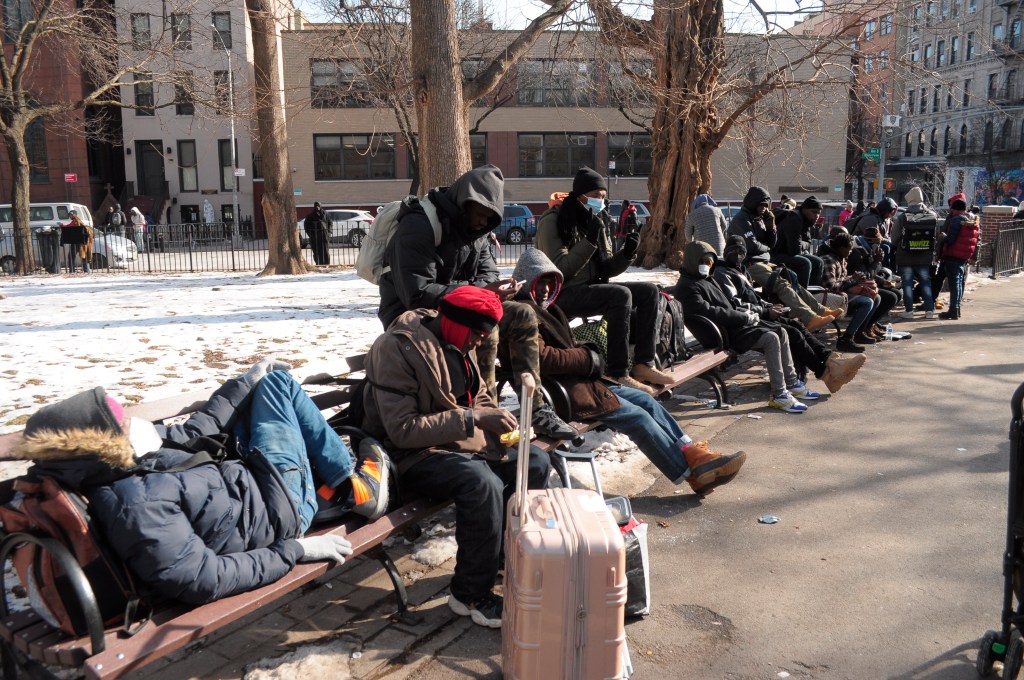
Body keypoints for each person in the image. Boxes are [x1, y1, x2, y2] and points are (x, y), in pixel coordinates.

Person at [11, 360, 390, 605]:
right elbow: (202, 579)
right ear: (101, 443)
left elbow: (197, 429)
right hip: (280, 509)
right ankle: (352, 487)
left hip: (255, 487)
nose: (128, 420)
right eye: (120, 421)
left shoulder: (124, 460)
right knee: (278, 387)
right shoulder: (135, 507)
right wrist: (294, 551)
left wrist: (245, 381)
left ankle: (332, 485)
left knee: (265, 385)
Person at [361, 287, 552, 628]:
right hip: (408, 455)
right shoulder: (396, 348)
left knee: (534, 462)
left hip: (452, 443)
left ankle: (499, 559)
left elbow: (476, 393)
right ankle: (469, 594)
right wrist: (473, 419)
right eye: (477, 335)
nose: (480, 343)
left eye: (485, 335)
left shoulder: (457, 342)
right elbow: (402, 429)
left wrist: (494, 418)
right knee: (481, 482)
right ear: (456, 323)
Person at [504, 247, 747, 495]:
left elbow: (564, 347)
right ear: (525, 280)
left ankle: (693, 454)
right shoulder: (522, 313)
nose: (545, 289)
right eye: (539, 282)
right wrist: (587, 357)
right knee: (637, 418)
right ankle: (691, 475)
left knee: (646, 401)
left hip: (584, 381)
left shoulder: (547, 308)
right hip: (565, 392)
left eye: (550, 282)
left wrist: (587, 356)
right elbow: (542, 358)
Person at [377, 164, 577, 440]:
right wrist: (477, 293)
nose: (483, 222)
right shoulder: (419, 224)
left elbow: (488, 273)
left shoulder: (478, 232)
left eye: (490, 218)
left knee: (521, 314)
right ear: (464, 204)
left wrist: (490, 291)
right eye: (480, 214)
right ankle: (487, 413)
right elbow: (417, 292)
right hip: (412, 318)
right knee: (484, 325)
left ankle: (536, 409)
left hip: (456, 309)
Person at [536, 166, 675, 396]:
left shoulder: (597, 219)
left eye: (603, 196)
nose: (601, 201)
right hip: (561, 293)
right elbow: (559, 269)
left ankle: (643, 364)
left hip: (590, 287)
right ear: (581, 196)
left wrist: (628, 253)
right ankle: (618, 372)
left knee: (649, 291)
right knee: (620, 296)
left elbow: (607, 268)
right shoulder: (555, 220)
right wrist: (589, 240)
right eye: (596, 197)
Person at [675, 240, 813, 414]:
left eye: (709, 262)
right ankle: (779, 394)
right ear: (692, 261)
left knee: (782, 330)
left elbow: (728, 305)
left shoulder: (706, 279)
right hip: (720, 334)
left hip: (731, 327)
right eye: (703, 262)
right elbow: (712, 312)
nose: (706, 266)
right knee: (771, 338)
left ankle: (792, 383)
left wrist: (752, 313)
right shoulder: (687, 286)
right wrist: (745, 317)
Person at [715, 236, 865, 393]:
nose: (738, 254)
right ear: (726, 252)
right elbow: (735, 304)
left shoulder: (740, 270)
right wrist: (766, 311)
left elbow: (753, 297)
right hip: (746, 321)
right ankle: (828, 373)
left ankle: (831, 361)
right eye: (734, 250)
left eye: (741, 250)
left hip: (758, 315)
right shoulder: (723, 273)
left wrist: (769, 306)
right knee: (792, 332)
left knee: (797, 324)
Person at [727, 186, 836, 332]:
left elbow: (770, 243)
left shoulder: (759, 218)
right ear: (753, 203)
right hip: (749, 263)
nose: (764, 208)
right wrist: (766, 247)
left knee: (792, 278)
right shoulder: (742, 219)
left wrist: (771, 227)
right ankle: (809, 318)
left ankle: (820, 310)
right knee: (780, 283)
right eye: (761, 205)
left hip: (764, 261)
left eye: (767, 205)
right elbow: (752, 246)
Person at [817, 230, 879, 352]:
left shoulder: (841, 258)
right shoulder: (828, 259)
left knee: (876, 297)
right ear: (841, 248)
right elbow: (831, 286)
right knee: (867, 302)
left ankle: (860, 332)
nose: (850, 252)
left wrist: (854, 278)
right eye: (849, 249)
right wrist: (852, 280)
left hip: (841, 292)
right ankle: (846, 338)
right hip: (829, 296)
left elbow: (842, 279)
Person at [890, 187, 938, 321]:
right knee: (925, 283)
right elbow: (935, 236)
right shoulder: (932, 215)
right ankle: (929, 310)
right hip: (924, 255)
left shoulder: (903, 217)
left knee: (907, 283)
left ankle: (909, 310)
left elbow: (894, 239)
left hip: (905, 255)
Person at [937, 195, 979, 320]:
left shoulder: (956, 220)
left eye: (953, 209)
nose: (952, 212)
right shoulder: (973, 219)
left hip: (953, 255)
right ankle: (957, 308)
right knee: (960, 282)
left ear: (956, 209)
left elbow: (950, 240)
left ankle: (953, 309)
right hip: (964, 255)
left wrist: (943, 236)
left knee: (954, 282)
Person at [772, 196, 826, 288]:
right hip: (776, 255)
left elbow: (808, 242)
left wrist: (801, 243)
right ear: (804, 209)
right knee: (805, 263)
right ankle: (800, 295)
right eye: (813, 212)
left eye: (818, 213)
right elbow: (794, 250)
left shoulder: (807, 221)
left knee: (819, 262)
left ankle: (813, 294)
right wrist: (802, 244)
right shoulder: (795, 219)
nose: (817, 215)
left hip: (787, 253)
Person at [304, 202, 331, 266]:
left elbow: (330, 223)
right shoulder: (310, 216)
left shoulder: (326, 214)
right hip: (315, 236)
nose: (317, 207)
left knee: (325, 251)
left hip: (324, 235)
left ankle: (326, 264)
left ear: (321, 206)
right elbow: (306, 226)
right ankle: (318, 264)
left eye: (318, 205)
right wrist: (311, 234)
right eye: (316, 206)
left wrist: (329, 232)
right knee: (316, 251)